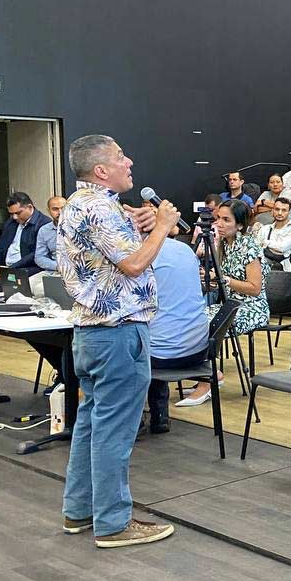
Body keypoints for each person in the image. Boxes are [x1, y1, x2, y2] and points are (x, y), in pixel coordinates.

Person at [58, 134, 179, 547]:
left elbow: (116, 254)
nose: (130, 161)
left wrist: (141, 224)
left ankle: (79, 511)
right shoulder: (99, 208)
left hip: (91, 334)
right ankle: (113, 522)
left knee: (92, 425)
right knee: (114, 432)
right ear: (101, 170)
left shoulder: (82, 205)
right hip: (118, 333)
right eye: (120, 157)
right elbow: (132, 264)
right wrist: (162, 227)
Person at [176, 199, 270, 406]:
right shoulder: (221, 245)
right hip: (229, 303)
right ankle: (207, 374)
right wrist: (208, 279)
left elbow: (254, 288)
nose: (219, 223)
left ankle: (207, 381)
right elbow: (221, 285)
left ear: (239, 225)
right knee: (194, 319)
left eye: (226, 220)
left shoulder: (249, 246)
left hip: (251, 307)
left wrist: (223, 279)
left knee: (209, 325)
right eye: (218, 218)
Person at [142, 220, 210, 436]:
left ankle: (130, 421)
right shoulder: (186, 250)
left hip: (161, 357)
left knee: (124, 344)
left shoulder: (141, 256)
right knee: (156, 332)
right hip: (198, 350)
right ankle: (159, 415)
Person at [0, 192, 50, 291]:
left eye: (18, 213)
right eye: (11, 214)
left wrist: (10, 269)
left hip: (26, 268)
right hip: (4, 267)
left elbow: (36, 254)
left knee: (10, 279)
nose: (15, 217)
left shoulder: (44, 224)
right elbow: (1, 247)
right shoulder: (10, 223)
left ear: (29, 207)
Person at [254, 196, 291, 271]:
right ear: (272, 210)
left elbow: (282, 248)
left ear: (289, 212)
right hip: (261, 262)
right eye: (277, 209)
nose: (280, 213)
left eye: (284, 210)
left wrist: (265, 242)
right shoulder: (266, 228)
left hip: (281, 268)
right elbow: (255, 247)